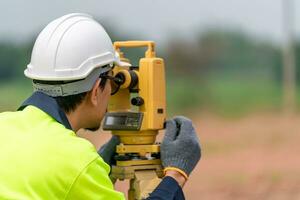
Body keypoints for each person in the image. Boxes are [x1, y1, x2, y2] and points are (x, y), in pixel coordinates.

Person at [0, 13, 201, 200]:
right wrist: (176, 175)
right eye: (113, 83)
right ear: (96, 90)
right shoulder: (77, 162)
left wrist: (95, 167)